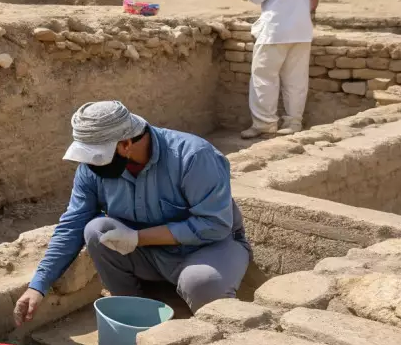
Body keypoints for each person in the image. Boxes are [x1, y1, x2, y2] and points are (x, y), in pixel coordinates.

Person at [14, 101, 251, 326]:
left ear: (126, 144)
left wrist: (138, 238)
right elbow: (72, 224)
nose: (91, 167)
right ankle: (136, 311)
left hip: (209, 248)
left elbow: (214, 225)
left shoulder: (192, 156)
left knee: (202, 283)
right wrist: (38, 286)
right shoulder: (91, 170)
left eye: (98, 158)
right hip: (148, 254)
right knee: (96, 231)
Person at [227, 0, 320, 138]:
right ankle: (293, 123)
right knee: (296, 80)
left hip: (275, 31)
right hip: (301, 31)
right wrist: (304, 15)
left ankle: (264, 124)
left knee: (264, 77)